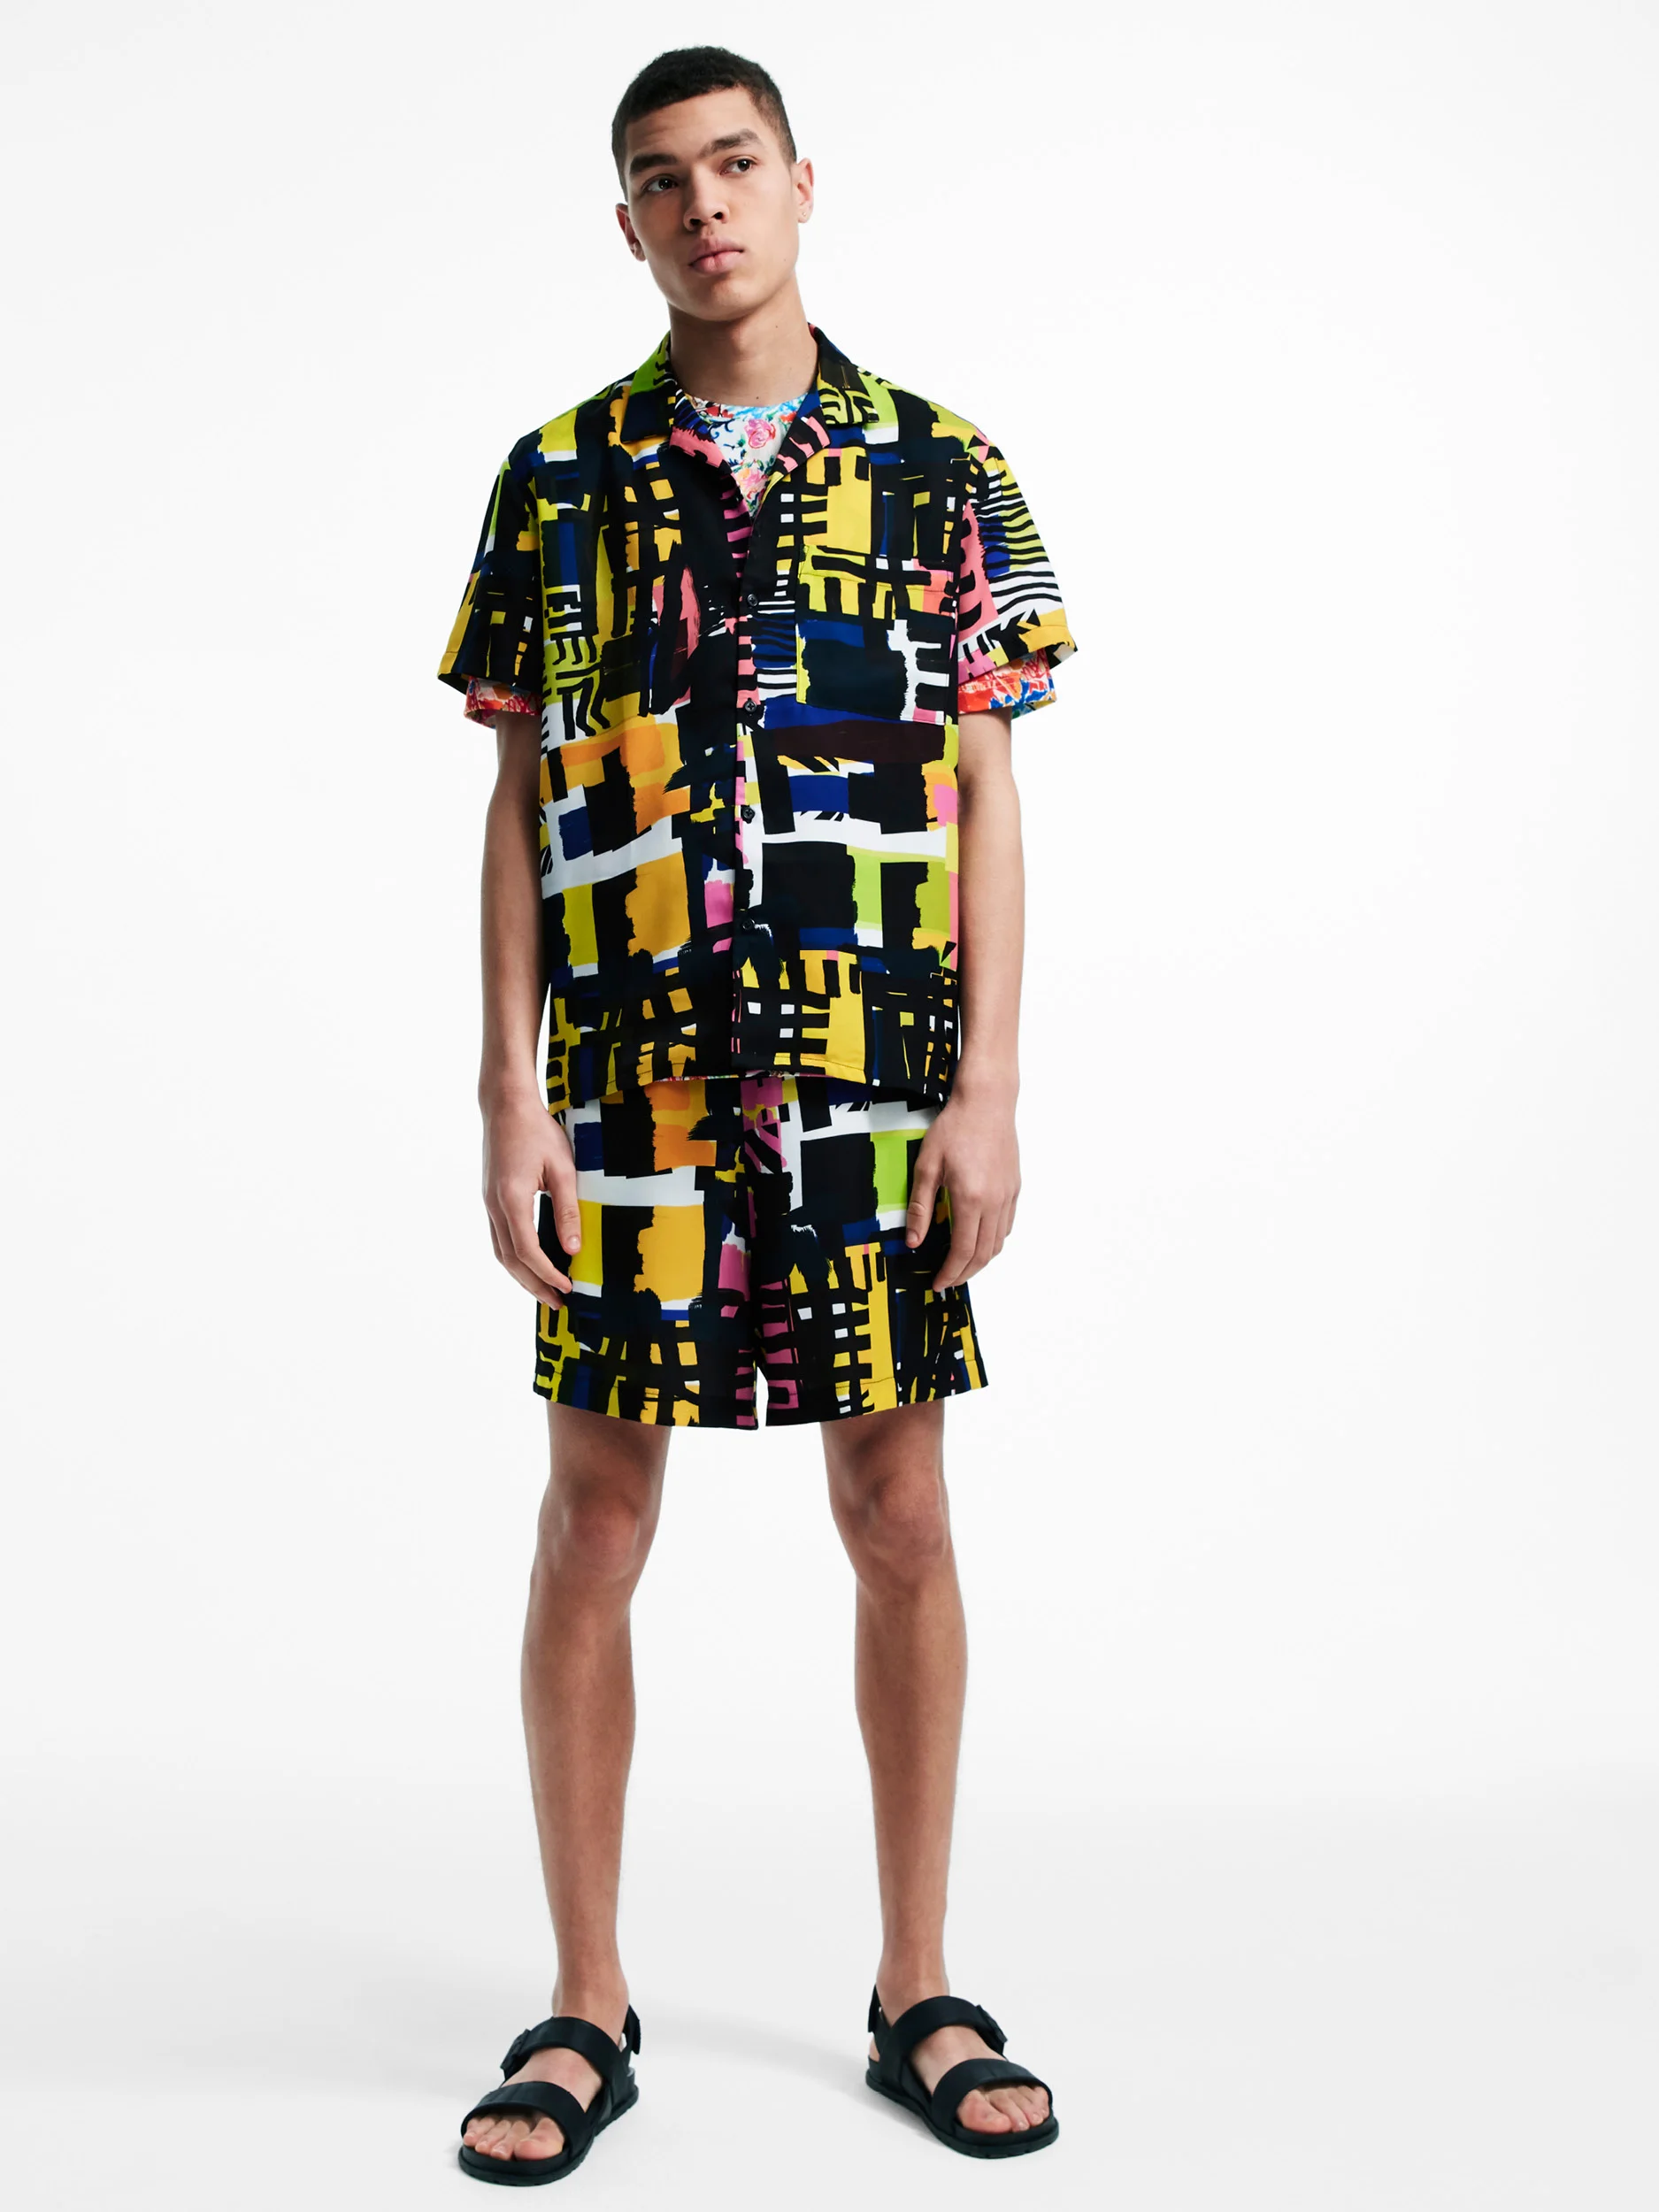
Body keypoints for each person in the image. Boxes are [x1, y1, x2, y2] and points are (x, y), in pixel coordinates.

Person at [436, 45, 1077, 2184]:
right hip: (633, 1077)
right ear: (623, 223)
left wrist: (987, 1085)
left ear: (801, 183)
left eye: (733, 164)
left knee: (898, 1511)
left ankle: (918, 1982)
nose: (703, 205)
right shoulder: (555, 479)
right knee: (595, 1520)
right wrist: (510, 1091)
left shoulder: (942, 467)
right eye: (660, 179)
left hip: (873, 1079)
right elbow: (518, 800)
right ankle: (583, 1998)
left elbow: (985, 789)